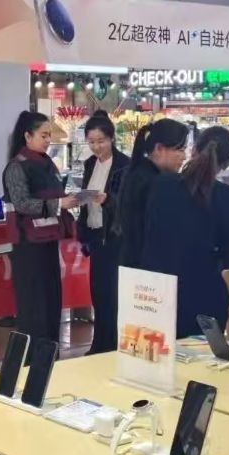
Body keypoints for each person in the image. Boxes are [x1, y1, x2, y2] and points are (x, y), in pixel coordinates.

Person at [141, 126, 229, 338]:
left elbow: (149, 232)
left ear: (194, 149)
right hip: (206, 290)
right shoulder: (227, 196)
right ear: (226, 162)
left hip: (161, 290)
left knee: (162, 351)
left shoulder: (162, 185)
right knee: (205, 353)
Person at [2, 111, 79, 351]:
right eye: (43, 135)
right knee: (33, 305)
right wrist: (58, 204)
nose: (48, 140)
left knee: (51, 302)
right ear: (28, 136)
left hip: (49, 242)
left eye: (49, 135)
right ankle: (33, 358)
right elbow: (22, 203)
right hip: (27, 246)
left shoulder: (48, 164)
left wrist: (69, 201)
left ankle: (50, 353)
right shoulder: (17, 167)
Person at [76, 111, 130, 354]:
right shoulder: (90, 164)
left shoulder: (124, 166)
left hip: (115, 237)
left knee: (113, 294)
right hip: (95, 234)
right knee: (98, 293)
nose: (97, 147)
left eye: (101, 141)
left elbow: (128, 204)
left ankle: (113, 344)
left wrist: (108, 200)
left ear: (111, 139)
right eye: (92, 142)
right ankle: (100, 343)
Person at [116, 118, 188, 269]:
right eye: (180, 149)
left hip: (133, 264)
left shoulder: (137, 173)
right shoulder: (157, 183)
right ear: (159, 148)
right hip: (150, 269)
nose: (184, 156)